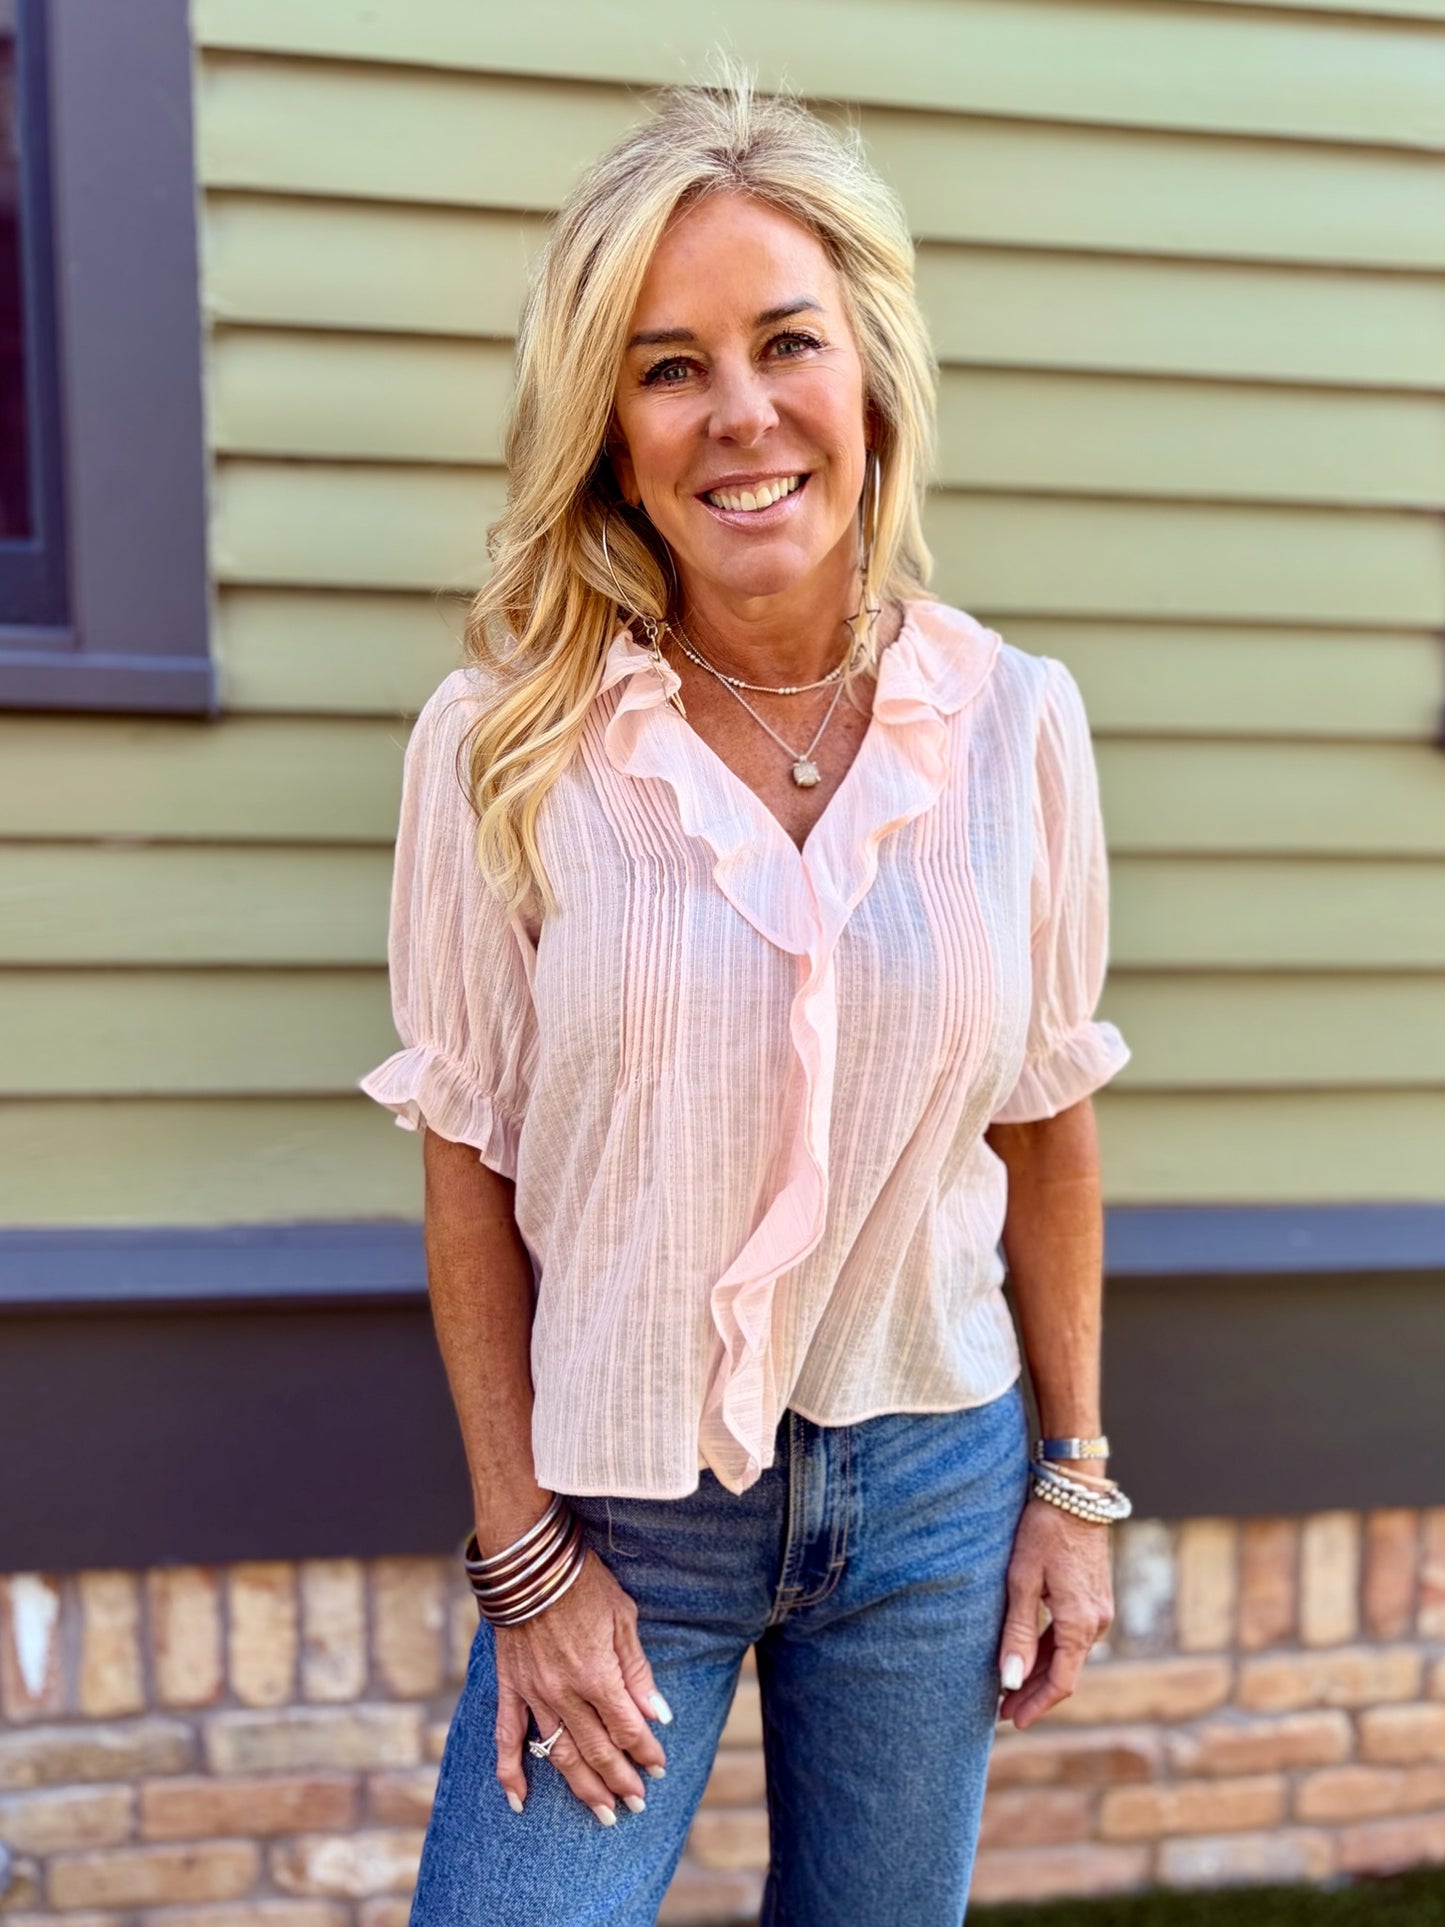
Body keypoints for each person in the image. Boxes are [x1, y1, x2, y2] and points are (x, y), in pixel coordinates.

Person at [360, 71, 1133, 1927]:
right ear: (611, 434)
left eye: (785, 341)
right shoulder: (506, 748)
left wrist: (1076, 1480)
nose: (740, 414)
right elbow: (467, 1158)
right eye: (666, 366)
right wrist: (522, 1557)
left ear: (867, 373)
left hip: (935, 1488)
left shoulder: (1015, 722)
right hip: (617, 1511)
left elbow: (1043, 1126)